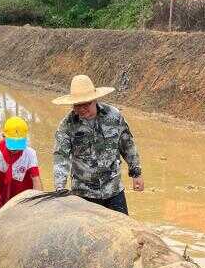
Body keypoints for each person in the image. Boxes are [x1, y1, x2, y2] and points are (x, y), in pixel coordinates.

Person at [52, 74, 144, 215]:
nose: (81, 109)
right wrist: (60, 187)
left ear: (95, 100)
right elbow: (61, 156)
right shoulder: (67, 125)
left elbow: (127, 144)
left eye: (86, 104)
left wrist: (136, 172)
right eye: (77, 105)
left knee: (122, 227)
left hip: (113, 190)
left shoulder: (113, 116)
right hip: (83, 194)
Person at [0, 116, 43, 218]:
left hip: (24, 200)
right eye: (12, 143)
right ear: (4, 137)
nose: (15, 149)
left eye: (18, 143)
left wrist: (39, 204)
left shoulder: (30, 154)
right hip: (2, 200)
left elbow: (36, 180)